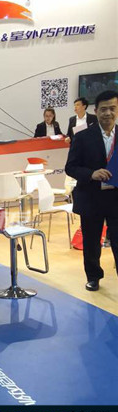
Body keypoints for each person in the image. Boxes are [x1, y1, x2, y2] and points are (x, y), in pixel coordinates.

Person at [65, 90, 118, 291]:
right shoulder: (83, 137)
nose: (108, 113)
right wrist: (91, 174)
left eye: (112, 108)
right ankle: (93, 277)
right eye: (103, 109)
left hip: (116, 198)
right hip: (91, 197)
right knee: (91, 241)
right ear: (96, 111)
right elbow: (71, 167)